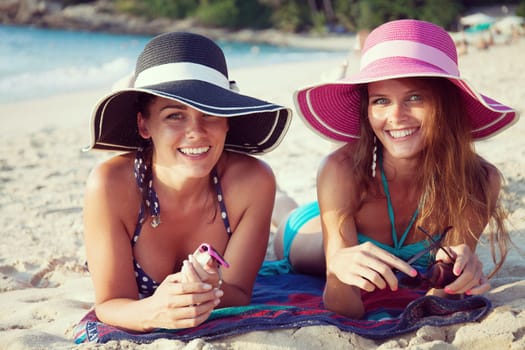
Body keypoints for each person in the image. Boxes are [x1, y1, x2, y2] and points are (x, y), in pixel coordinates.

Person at [273, 19, 518, 319]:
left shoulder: (479, 180)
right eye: (380, 101)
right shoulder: (339, 169)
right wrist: (337, 268)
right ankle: (279, 198)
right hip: (308, 231)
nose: (396, 116)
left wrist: (459, 275)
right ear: (367, 110)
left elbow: (440, 298)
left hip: (349, 207)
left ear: (446, 103)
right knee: (284, 214)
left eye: (414, 98)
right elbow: (340, 303)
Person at [82, 31, 292, 331]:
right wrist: (151, 312)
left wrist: (204, 293)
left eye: (210, 113)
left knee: (291, 223)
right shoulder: (109, 185)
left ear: (228, 120)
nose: (196, 132)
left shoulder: (255, 181)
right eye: (174, 116)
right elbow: (111, 302)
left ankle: (284, 206)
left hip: (250, 195)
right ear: (144, 124)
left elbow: (240, 293)